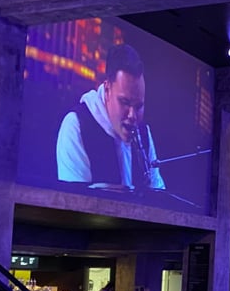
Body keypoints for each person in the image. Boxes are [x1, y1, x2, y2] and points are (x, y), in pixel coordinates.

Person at [56, 43, 165, 191]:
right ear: (107, 89)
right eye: (125, 102)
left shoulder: (144, 132)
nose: (132, 116)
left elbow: (158, 192)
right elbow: (73, 200)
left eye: (139, 106)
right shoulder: (76, 126)